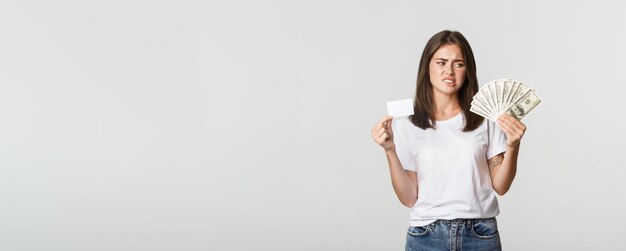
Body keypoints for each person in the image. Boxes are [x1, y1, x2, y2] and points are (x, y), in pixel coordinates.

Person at [370, 30, 527, 250]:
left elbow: (501, 186)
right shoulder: (405, 123)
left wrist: (513, 146)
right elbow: (408, 198)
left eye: (458, 64)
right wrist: (389, 150)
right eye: (441, 62)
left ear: (468, 70)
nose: (449, 72)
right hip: (426, 235)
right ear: (427, 66)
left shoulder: (486, 118)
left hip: (480, 234)